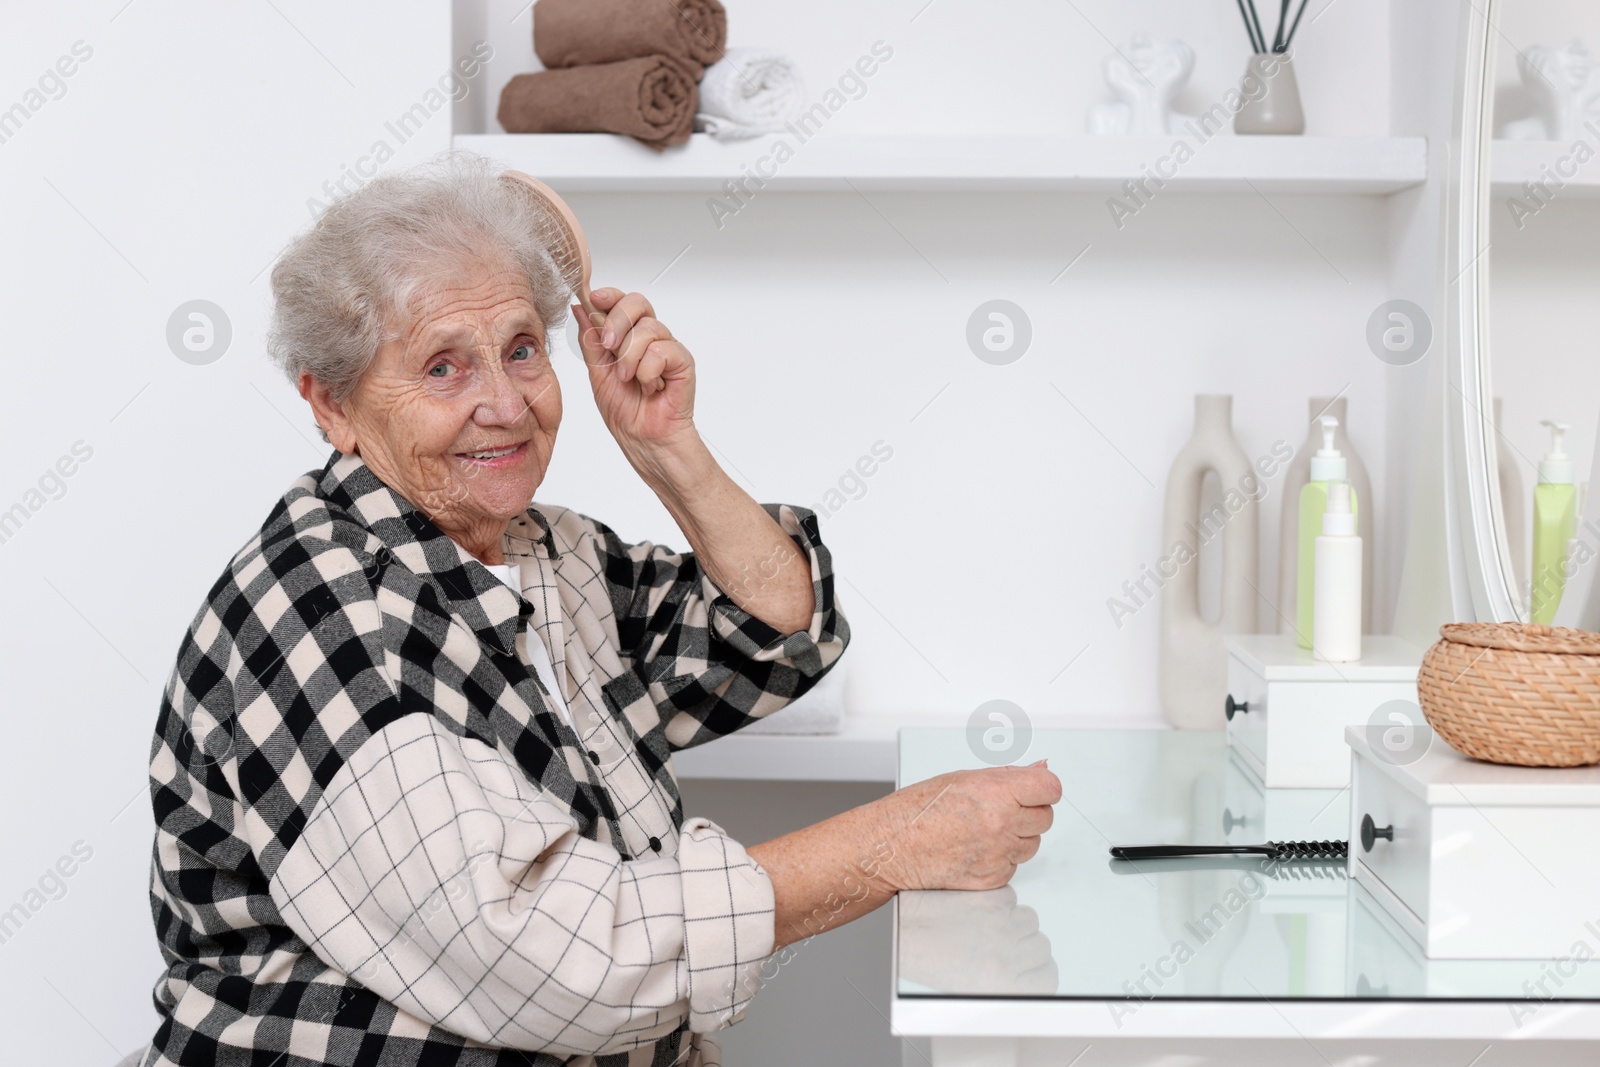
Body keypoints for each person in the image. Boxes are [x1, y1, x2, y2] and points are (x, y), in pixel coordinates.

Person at [141, 151, 1060, 1066]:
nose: (503, 404)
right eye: (444, 368)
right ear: (332, 405)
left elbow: (774, 634)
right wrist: (892, 845)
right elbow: (569, 962)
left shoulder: (548, 551)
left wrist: (670, 451)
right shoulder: (320, 619)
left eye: (521, 349)